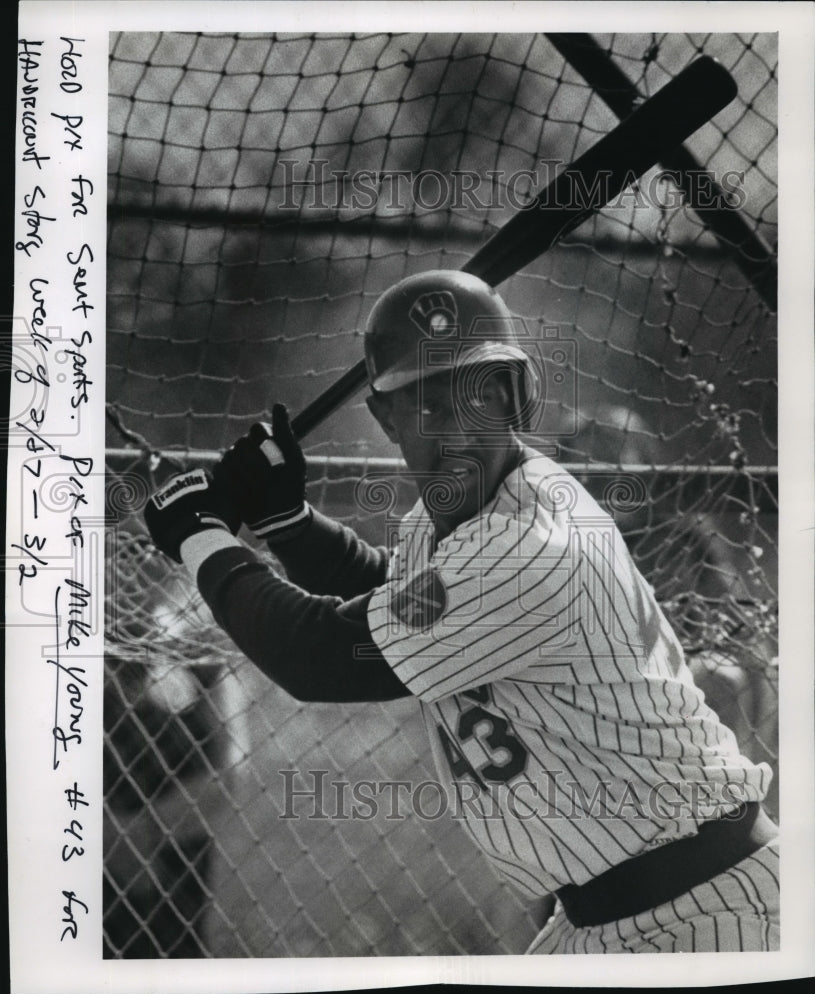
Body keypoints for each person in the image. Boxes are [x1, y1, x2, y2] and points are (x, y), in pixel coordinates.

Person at [144, 270, 779, 953]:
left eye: (480, 400)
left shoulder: (532, 540)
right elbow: (401, 600)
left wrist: (201, 536)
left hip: (706, 912)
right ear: (386, 419)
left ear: (517, 397)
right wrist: (285, 520)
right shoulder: (458, 519)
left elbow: (322, 656)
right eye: (430, 409)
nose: (459, 431)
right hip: (605, 916)